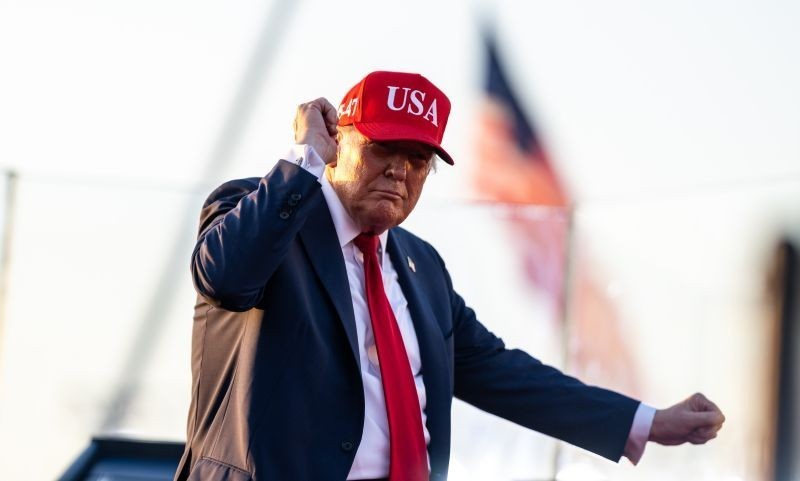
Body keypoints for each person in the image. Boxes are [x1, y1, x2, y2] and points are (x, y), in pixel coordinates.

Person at [175, 71, 725, 481]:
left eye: (419, 159)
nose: (399, 170)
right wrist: (302, 161)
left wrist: (645, 422)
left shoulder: (422, 268)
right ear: (337, 144)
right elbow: (225, 278)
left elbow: (504, 374)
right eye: (383, 148)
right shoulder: (262, 211)